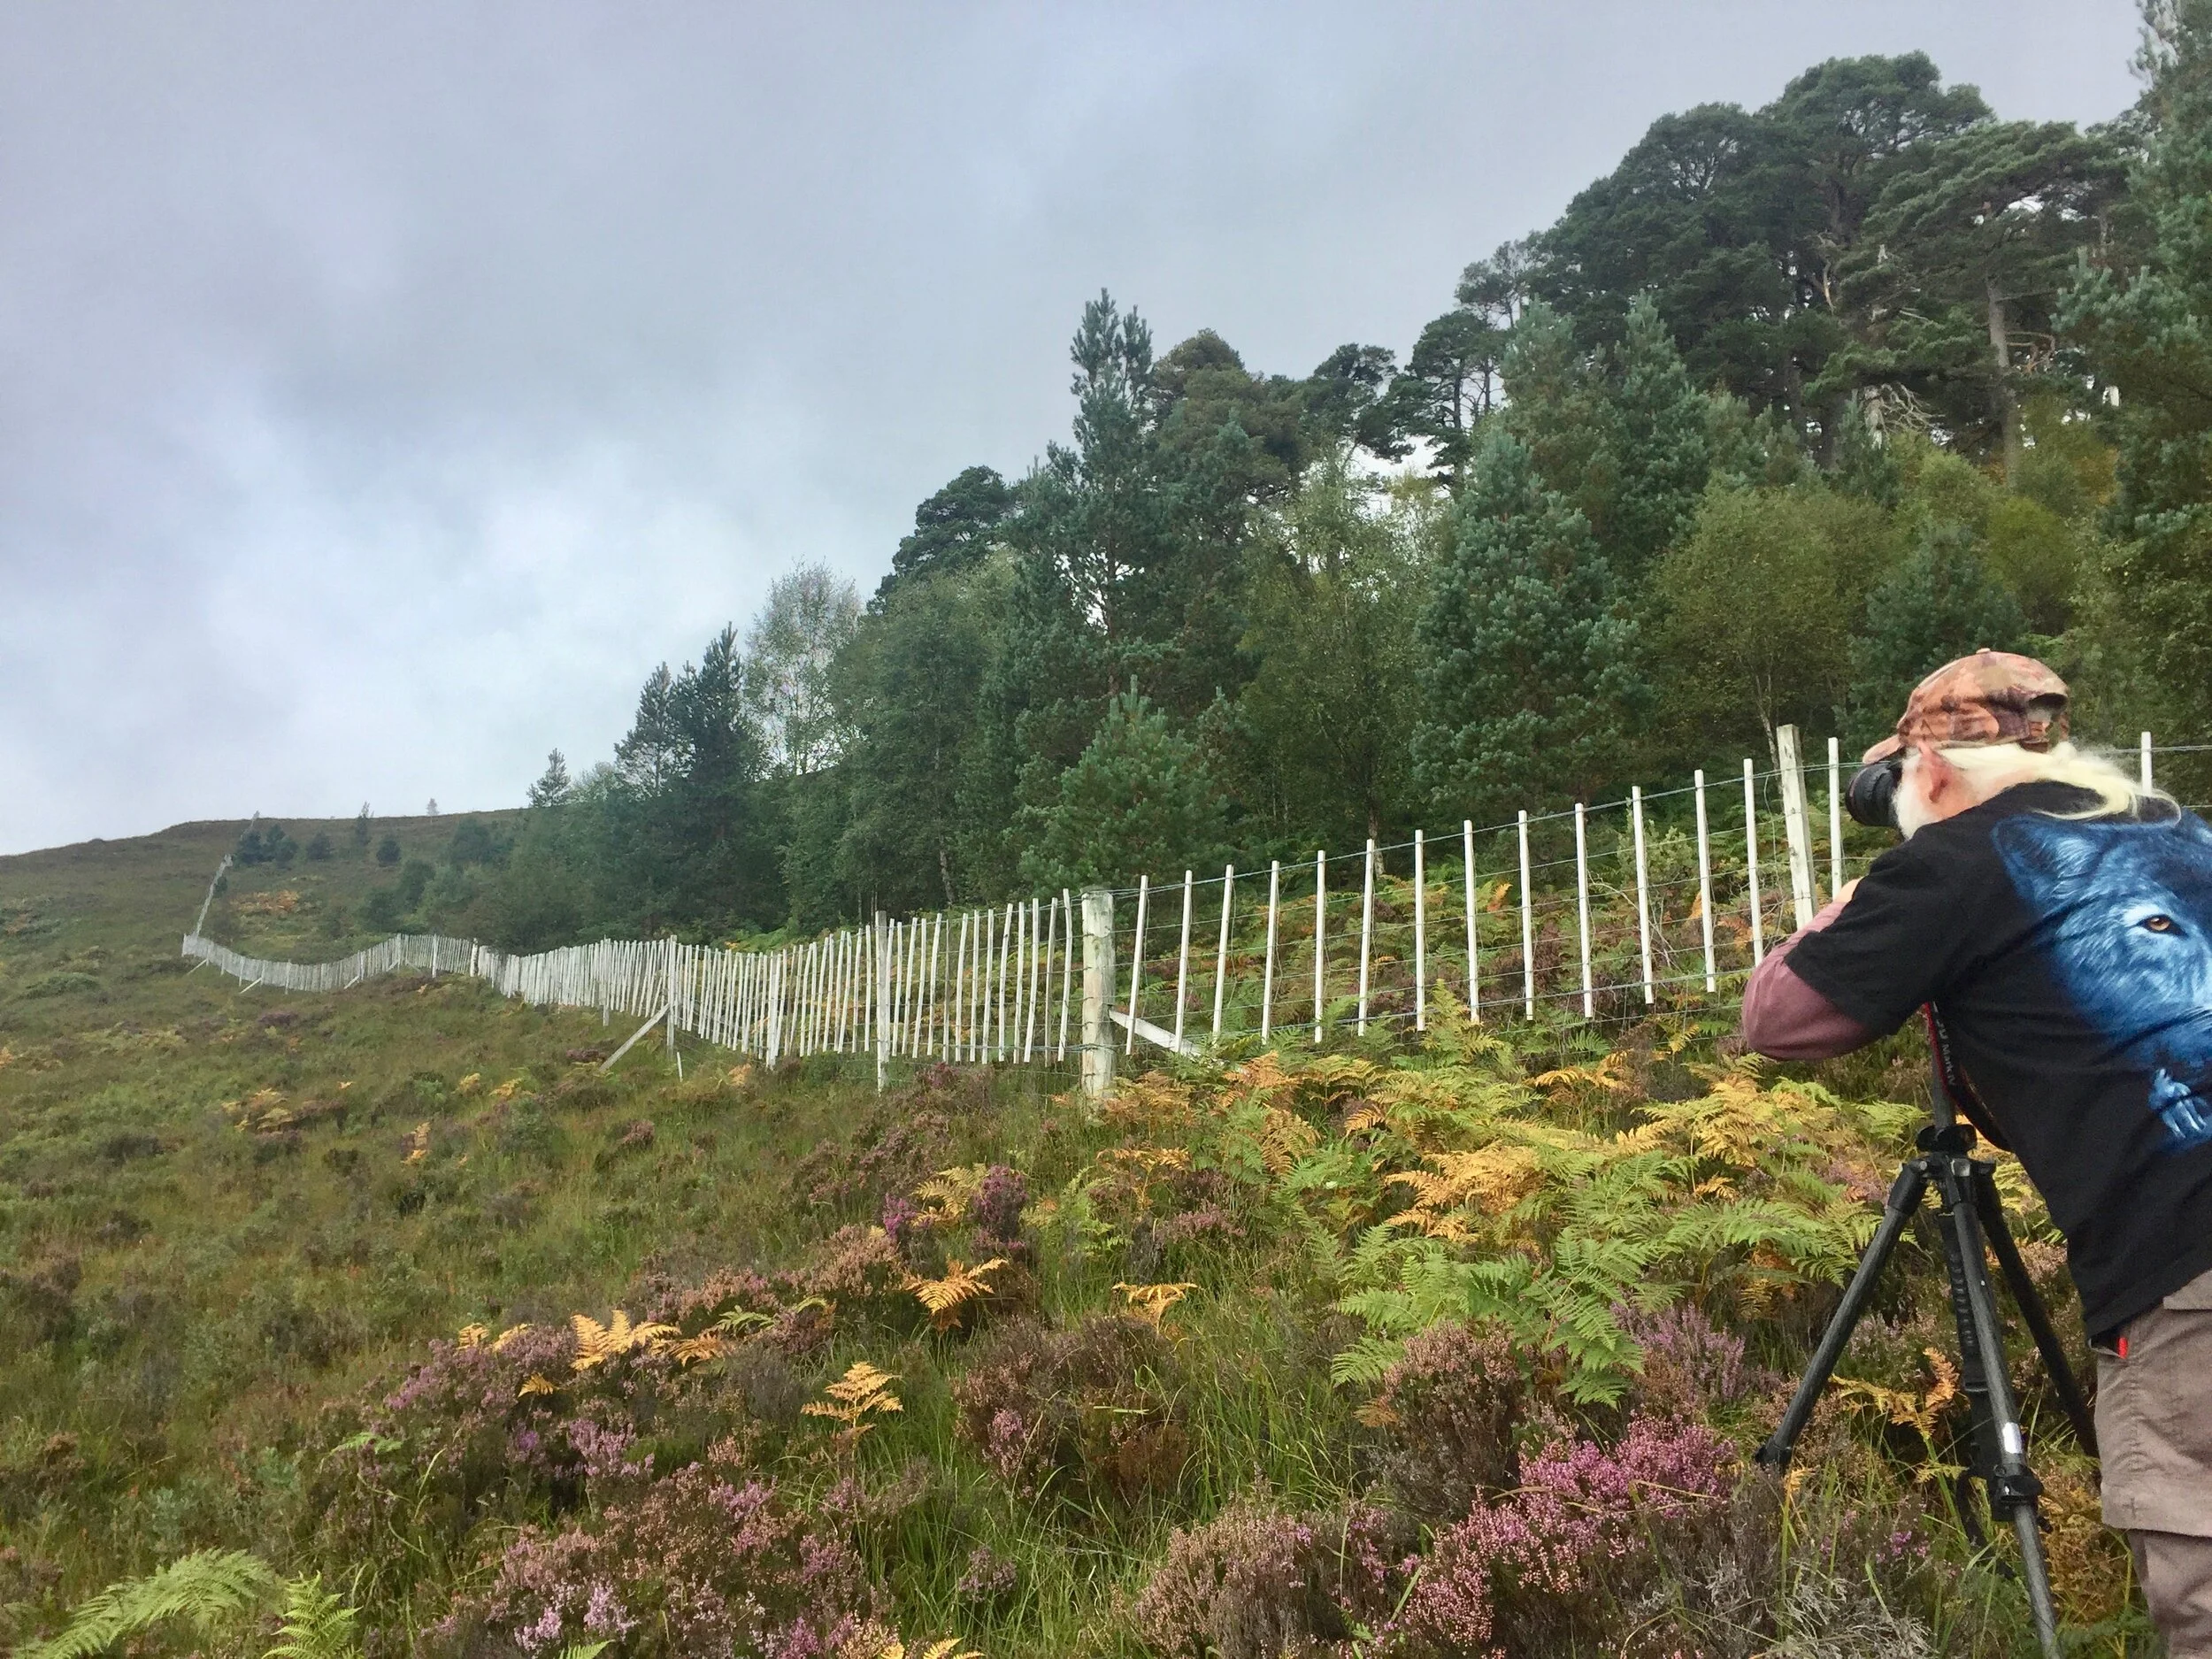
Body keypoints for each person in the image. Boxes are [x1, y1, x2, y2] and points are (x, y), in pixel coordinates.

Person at [1740, 650, 2212, 1655]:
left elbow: (1776, 1015)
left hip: (2186, 1255)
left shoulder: (1956, 861)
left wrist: (1900, 872)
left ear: (1938, 771)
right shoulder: (2183, 831)